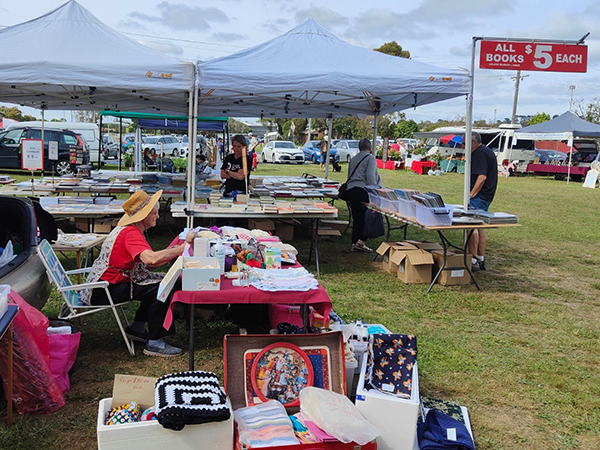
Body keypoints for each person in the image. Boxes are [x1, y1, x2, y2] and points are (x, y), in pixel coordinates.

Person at [81, 190, 186, 357]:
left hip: (103, 285)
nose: (157, 216)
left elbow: (147, 264)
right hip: (104, 289)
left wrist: (168, 253)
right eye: (154, 212)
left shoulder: (129, 230)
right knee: (161, 288)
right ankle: (155, 343)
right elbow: (150, 260)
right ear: (143, 215)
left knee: (158, 283)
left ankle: (137, 328)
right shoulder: (131, 233)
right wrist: (180, 249)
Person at [468, 131, 498, 271]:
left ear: (474, 142)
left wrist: (471, 194)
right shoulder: (487, 151)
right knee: (481, 226)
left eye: (465, 143)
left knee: (471, 226)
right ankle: (480, 258)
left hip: (480, 197)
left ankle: (473, 259)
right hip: (487, 195)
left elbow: (482, 177)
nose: (463, 146)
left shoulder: (479, 153)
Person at [345, 138, 381, 252]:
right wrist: (375, 189)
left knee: (357, 217)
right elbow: (370, 176)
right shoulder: (370, 158)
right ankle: (360, 242)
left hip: (351, 190)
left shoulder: (354, 158)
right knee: (365, 217)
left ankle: (354, 242)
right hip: (361, 190)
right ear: (370, 148)